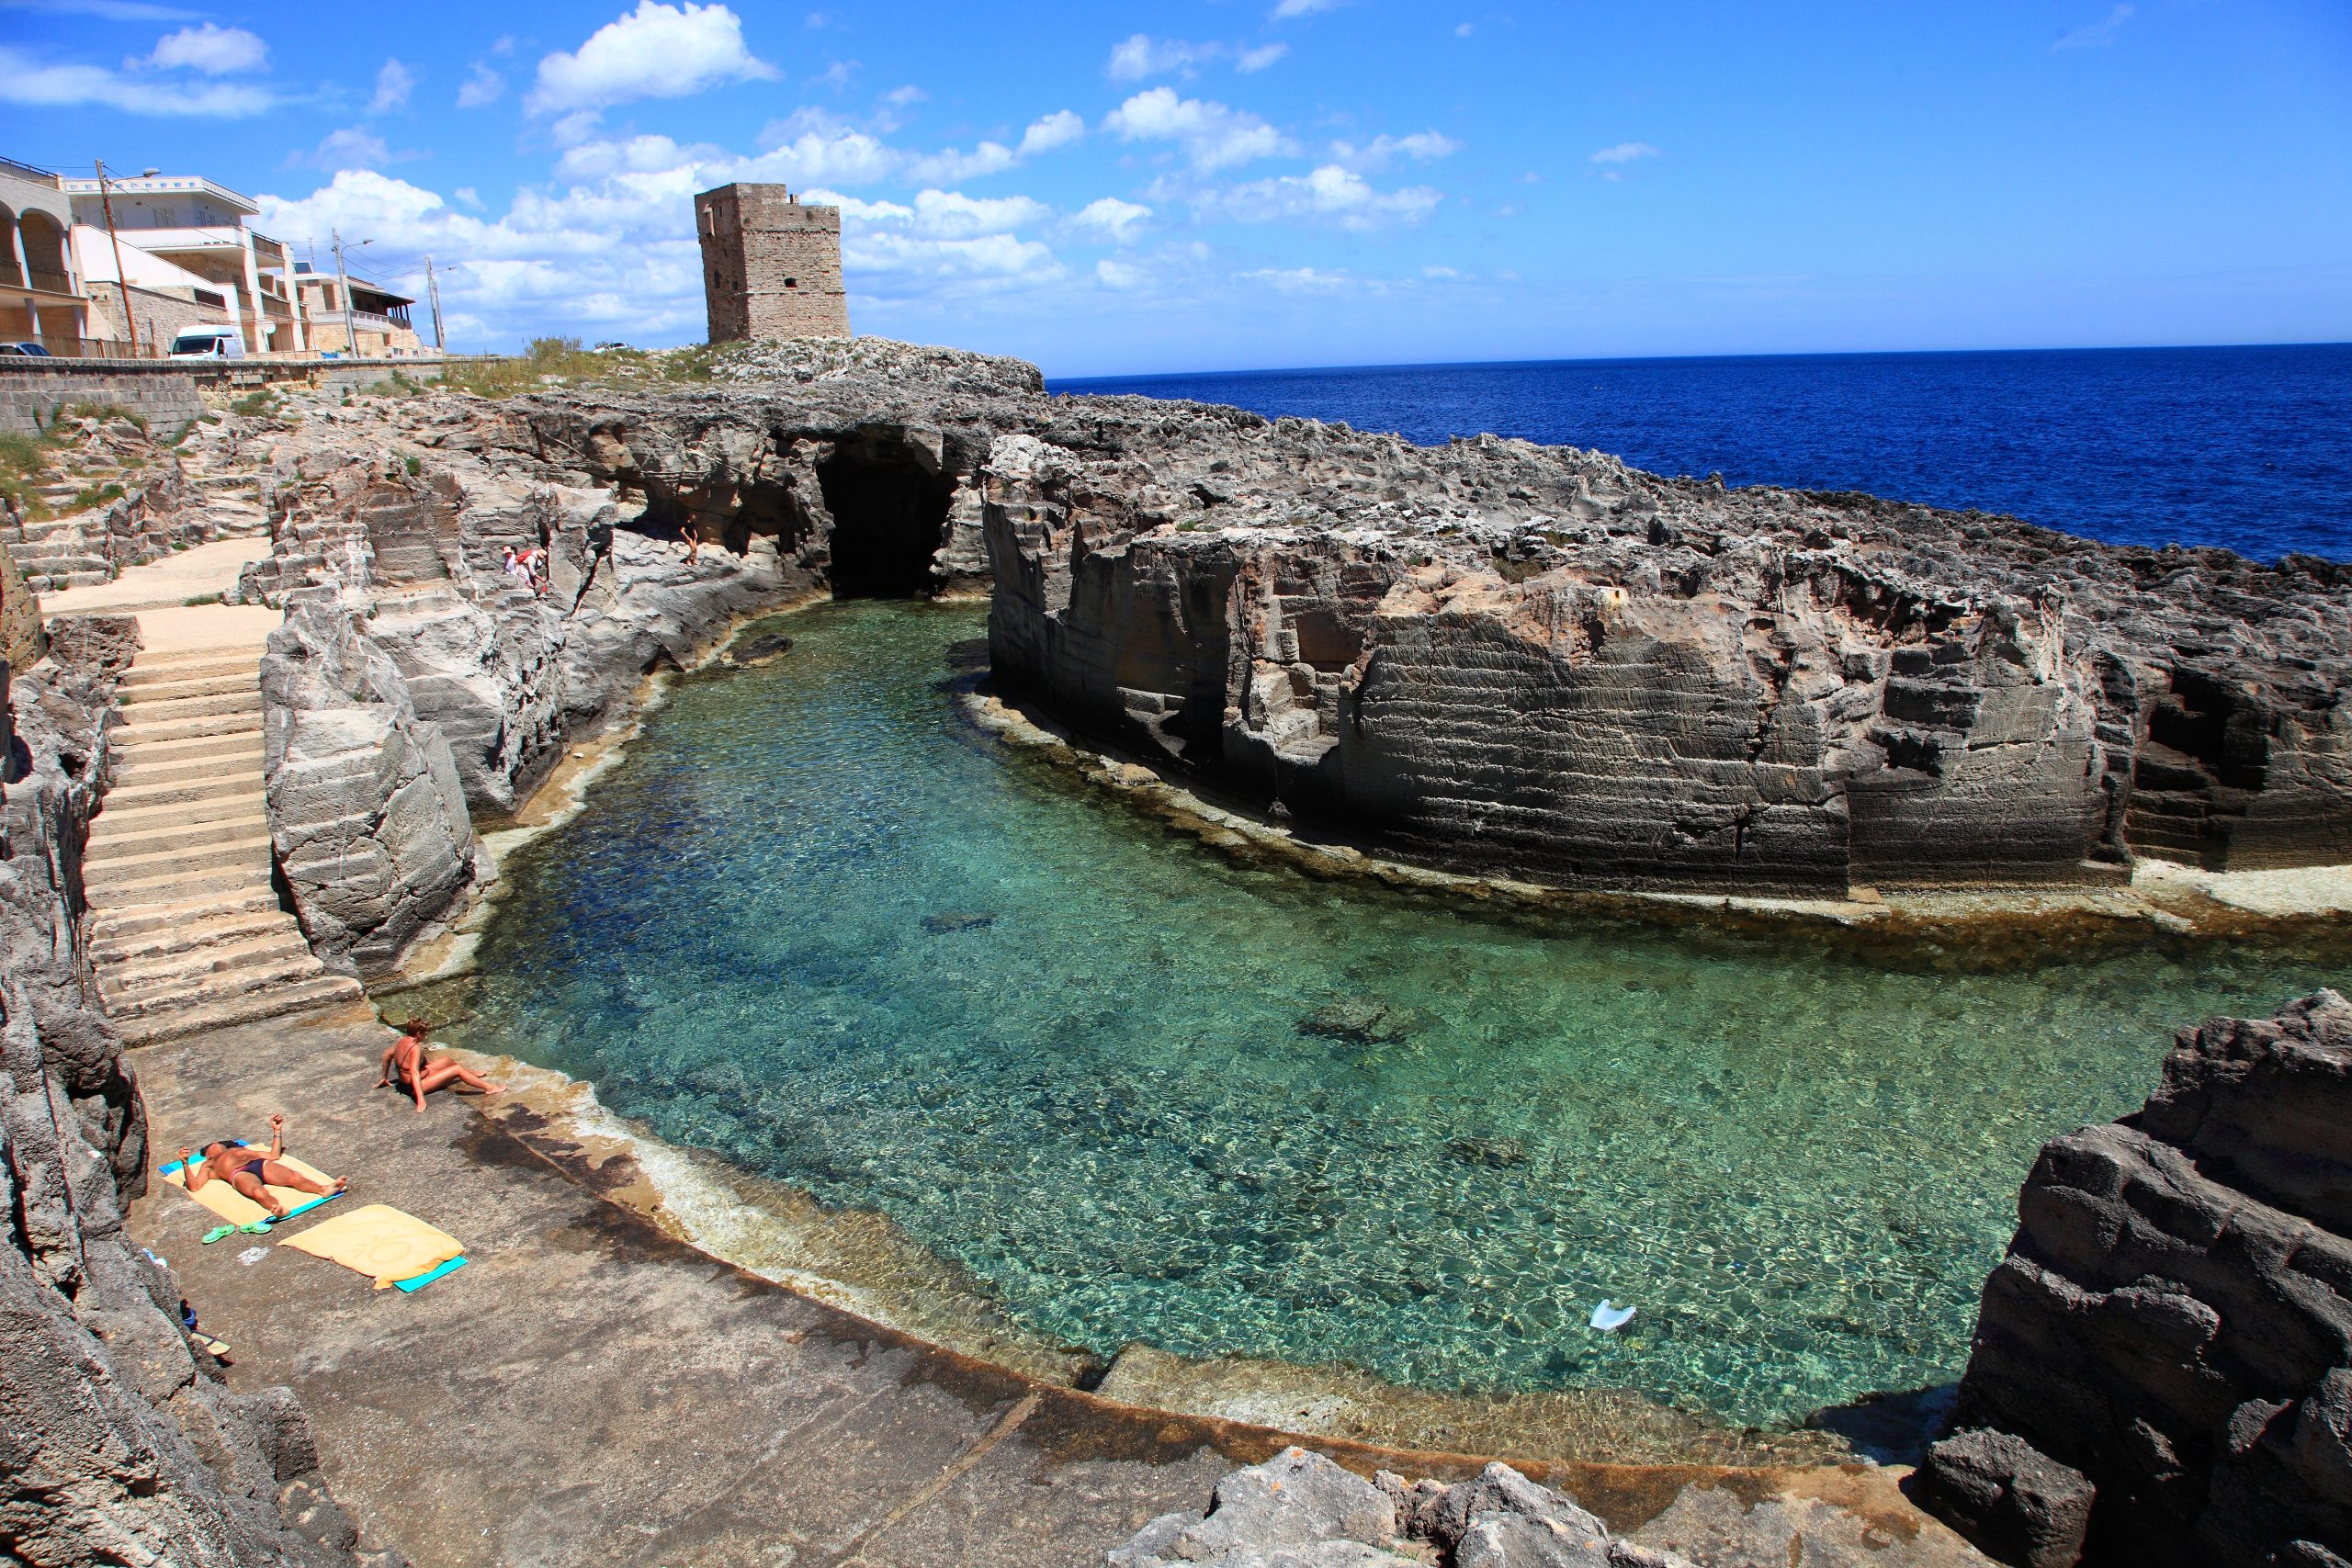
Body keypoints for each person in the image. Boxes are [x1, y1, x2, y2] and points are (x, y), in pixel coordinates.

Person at [177, 1115, 347, 1219]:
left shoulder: (242, 1149)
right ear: (207, 1154)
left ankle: (323, 1189)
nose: (214, 1144)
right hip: (239, 1174)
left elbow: (274, 1155)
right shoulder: (209, 1164)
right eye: (210, 1146)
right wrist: (185, 1163)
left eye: (216, 1143)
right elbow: (195, 1186)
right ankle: (278, 1209)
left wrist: (277, 1131)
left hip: (258, 1163)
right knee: (259, 1192)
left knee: (295, 1177)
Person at [377, 1020, 505, 1113]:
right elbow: (415, 1072)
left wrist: (384, 1078)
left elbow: (386, 1056)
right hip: (413, 1087)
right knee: (457, 1070)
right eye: (425, 1034)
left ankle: (471, 1073)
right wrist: (420, 1099)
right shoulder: (415, 1048)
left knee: (446, 1060)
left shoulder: (401, 1041)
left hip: (410, 1081)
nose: (425, 1037)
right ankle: (490, 1088)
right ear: (418, 1034)